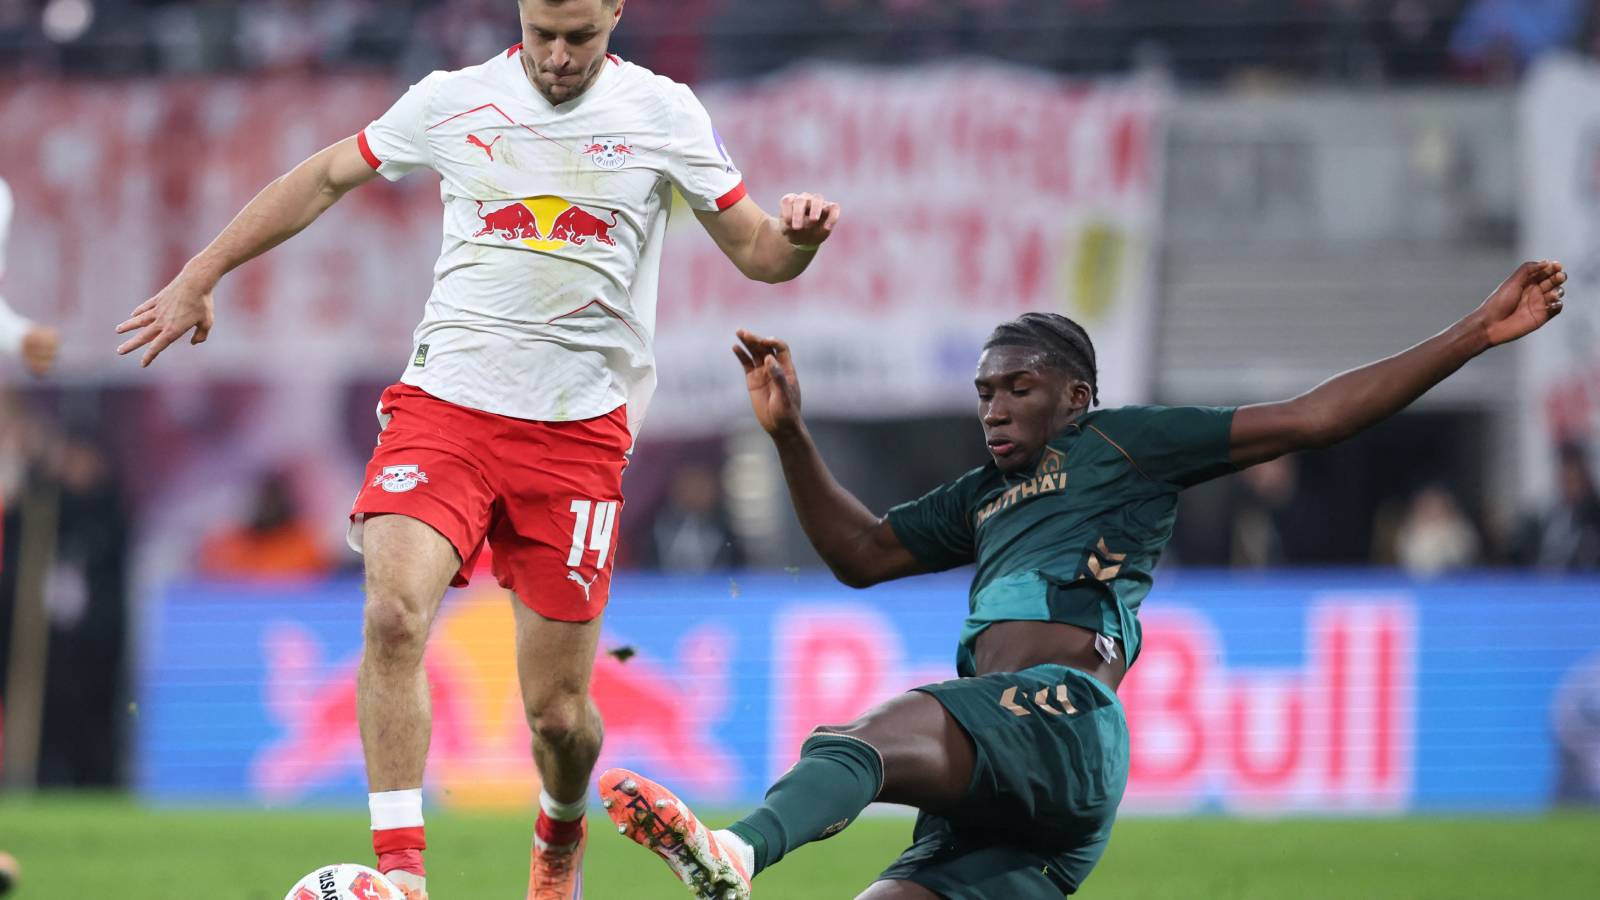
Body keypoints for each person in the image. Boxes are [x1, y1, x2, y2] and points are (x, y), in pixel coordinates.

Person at [113, 1, 840, 897]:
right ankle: (404, 876)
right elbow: (324, 178)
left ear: (615, 13)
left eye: (582, 38)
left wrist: (799, 240)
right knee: (392, 616)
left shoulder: (664, 114)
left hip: (576, 439)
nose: (562, 58)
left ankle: (560, 834)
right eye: (544, 36)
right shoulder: (454, 100)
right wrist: (201, 273)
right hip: (444, 411)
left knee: (561, 718)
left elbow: (760, 251)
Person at [599, 259, 1570, 900]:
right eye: (984, 391)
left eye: (1017, 387)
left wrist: (1471, 334)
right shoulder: (982, 494)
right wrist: (791, 436)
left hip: (1059, 719)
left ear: (1075, 395)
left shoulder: (1126, 443)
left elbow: (1314, 418)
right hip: (1023, 807)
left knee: (859, 741)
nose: (995, 406)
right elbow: (859, 556)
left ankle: (737, 852)